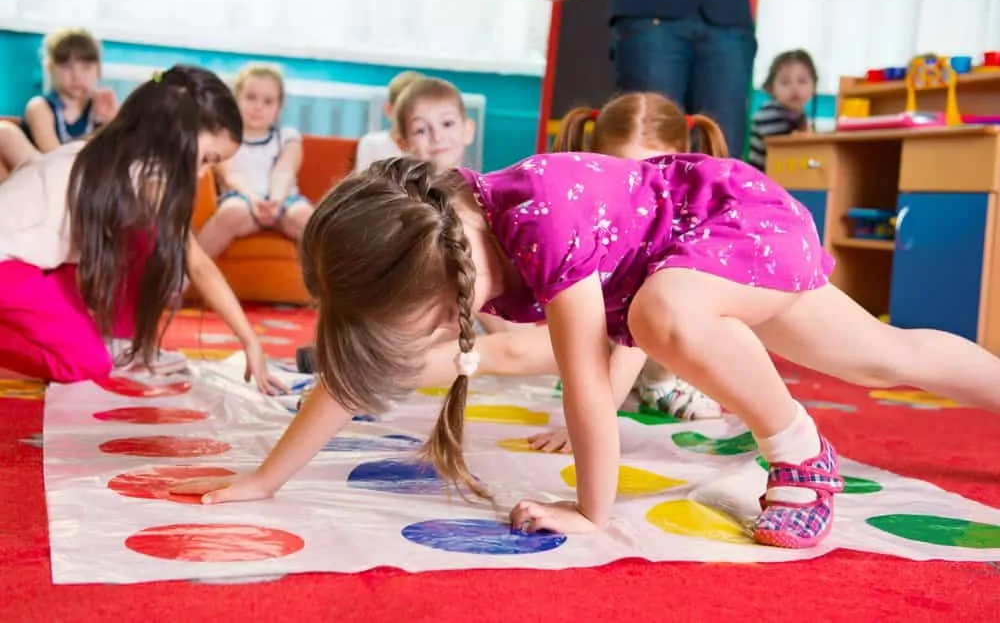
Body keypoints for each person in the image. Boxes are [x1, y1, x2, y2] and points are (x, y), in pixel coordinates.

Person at [171, 138, 1000, 548]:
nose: (412, 342)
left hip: (726, 221)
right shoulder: (451, 234)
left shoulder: (543, 224)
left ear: (440, 292)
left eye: (409, 323)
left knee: (660, 316)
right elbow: (354, 377)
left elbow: (587, 383)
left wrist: (589, 512)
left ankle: (802, 449)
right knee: (886, 356)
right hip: (703, 250)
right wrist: (264, 479)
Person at [421, 92, 727, 456]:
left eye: (648, 172)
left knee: (654, 317)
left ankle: (661, 385)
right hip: (609, 332)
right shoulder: (572, 215)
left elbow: (637, 340)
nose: (634, 187)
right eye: (621, 169)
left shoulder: (671, 222)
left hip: (655, 340)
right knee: (510, 350)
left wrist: (590, 419)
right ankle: (376, 372)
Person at [0, 65, 282, 392]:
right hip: (9, 267)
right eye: (207, 158)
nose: (204, 174)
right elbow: (199, 265)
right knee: (89, 364)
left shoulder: (123, 156)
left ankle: (121, 340)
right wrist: (251, 341)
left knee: (148, 238)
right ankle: (119, 344)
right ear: (179, 134)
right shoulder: (143, 175)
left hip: (37, 265)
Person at [519, 0, 757, 159]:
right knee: (645, 140)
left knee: (723, 151)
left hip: (727, 13)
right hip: (650, 6)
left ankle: (717, 224)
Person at [196, 63, 312, 258]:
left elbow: (285, 171)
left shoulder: (287, 137)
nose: (258, 107)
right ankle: (180, 277)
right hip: (242, 198)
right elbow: (230, 175)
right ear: (235, 100)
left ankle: (340, 285)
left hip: (282, 200)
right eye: (251, 98)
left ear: (279, 109)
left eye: (268, 102)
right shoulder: (224, 136)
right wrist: (253, 199)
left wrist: (275, 201)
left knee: (307, 218)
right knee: (233, 211)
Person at [21, 28, 118, 152]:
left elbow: (117, 156)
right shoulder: (40, 107)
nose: (76, 75)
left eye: (86, 68)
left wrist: (110, 122)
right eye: (66, 67)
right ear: (50, 68)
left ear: (98, 70)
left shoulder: (100, 109)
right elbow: (54, 159)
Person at [747, 50, 818, 172]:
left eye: (802, 81)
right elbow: (784, 150)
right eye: (785, 82)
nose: (794, 88)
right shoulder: (769, 113)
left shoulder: (799, 115)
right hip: (759, 179)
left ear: (814, 86)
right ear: (771, 88)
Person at [353, 70, 425, 172]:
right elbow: (363, 185)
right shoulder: (371, 143)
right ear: (389, 110)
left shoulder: (430, 147)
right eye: (404, 111)